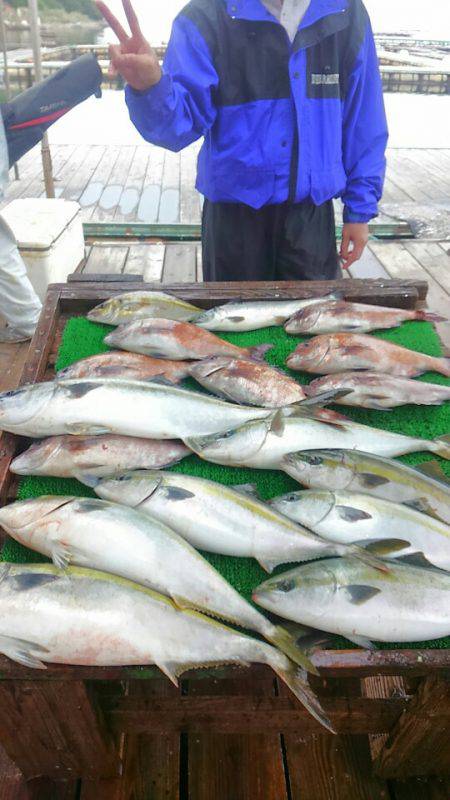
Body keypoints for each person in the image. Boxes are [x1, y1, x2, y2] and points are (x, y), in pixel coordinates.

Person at [97, 0, 388, 282]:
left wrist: (359, 210)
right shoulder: (206, 15)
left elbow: (364, 116)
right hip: (232, 220)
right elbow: (177, 127)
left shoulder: (345, 12)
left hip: (311, 217)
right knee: (230, 326)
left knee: (314, 323)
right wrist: (151, 88)